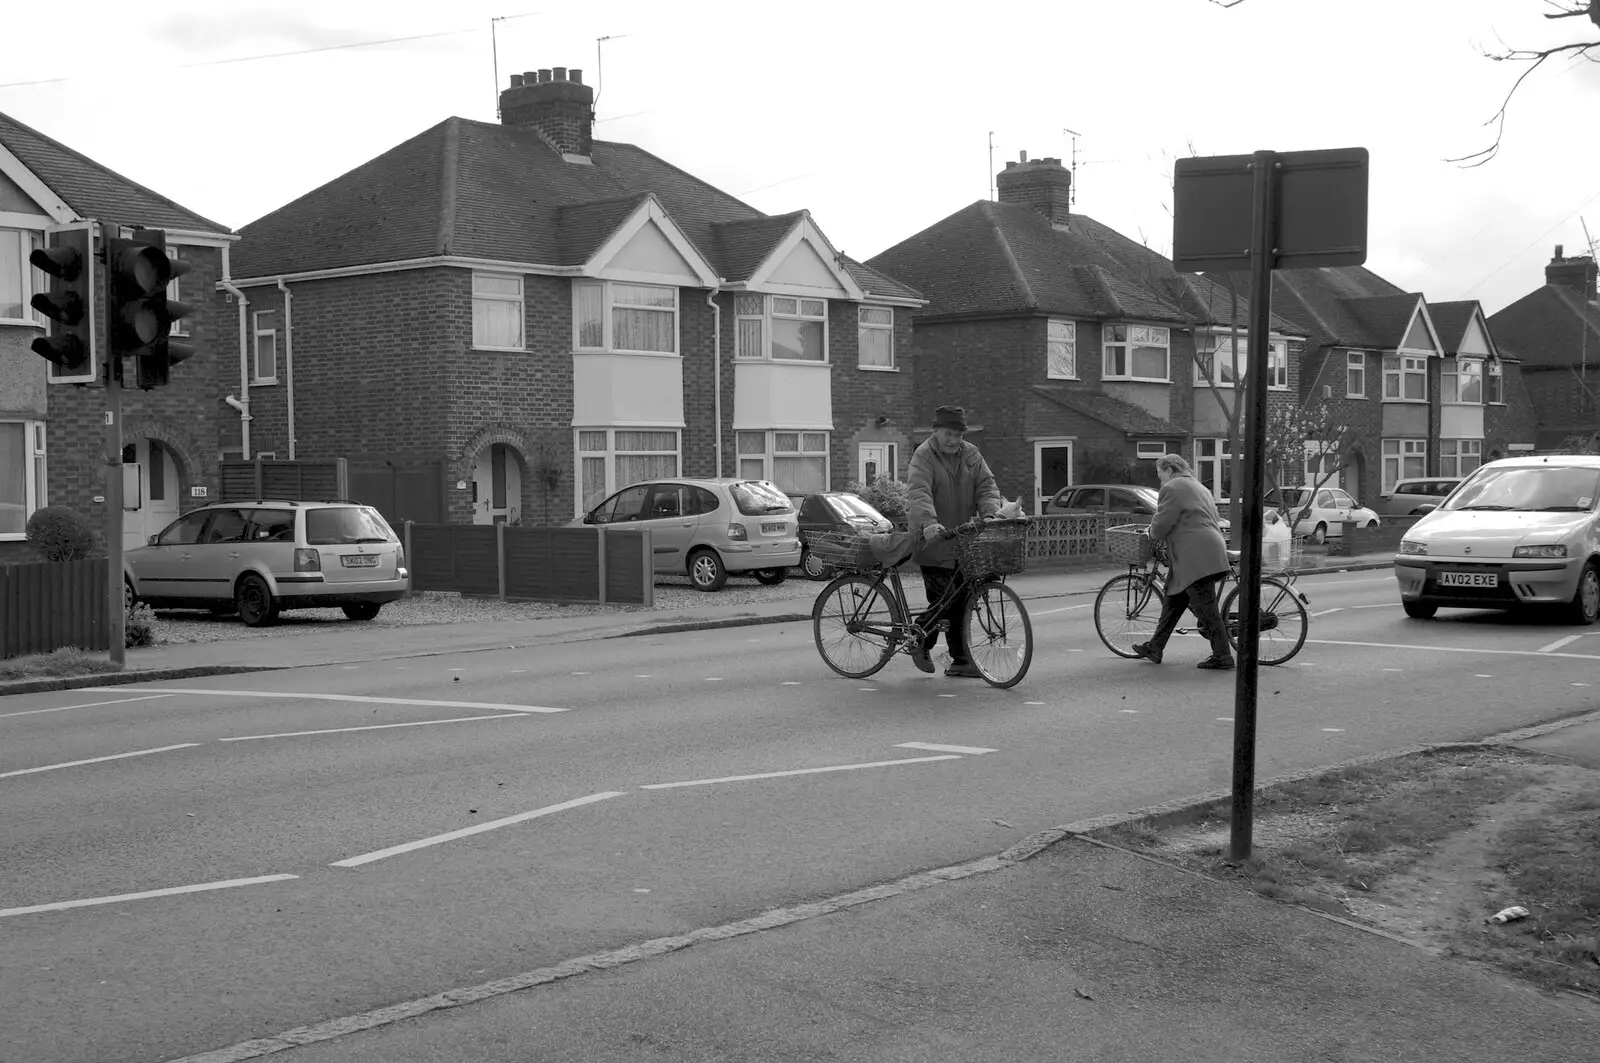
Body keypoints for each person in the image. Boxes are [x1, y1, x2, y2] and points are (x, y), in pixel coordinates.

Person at [905, 405, 1003, 677]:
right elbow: (918, 491)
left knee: (963, 597)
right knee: (945, 600)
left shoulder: (971, 453)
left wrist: (991, 513)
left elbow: (986, 486)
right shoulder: (923, 455)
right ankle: (921, 639)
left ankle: (960, 660)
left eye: (958, 434)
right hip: (932, 539)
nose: (953, 439)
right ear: (935, 431)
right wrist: (928, 523)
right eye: (948, 433)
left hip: (961, 537)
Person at [1132, 453, 1235, 670]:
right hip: (1209, 549)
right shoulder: (1199, 487)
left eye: (1160, 476)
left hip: (1195, 555)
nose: (1161, 481)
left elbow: (1161, 524)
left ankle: (1223, 656)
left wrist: (1150, 532)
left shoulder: (1172, 488)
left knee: (1206, 609)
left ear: (1170, 470)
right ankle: (1155, 647)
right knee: (1173, 601)